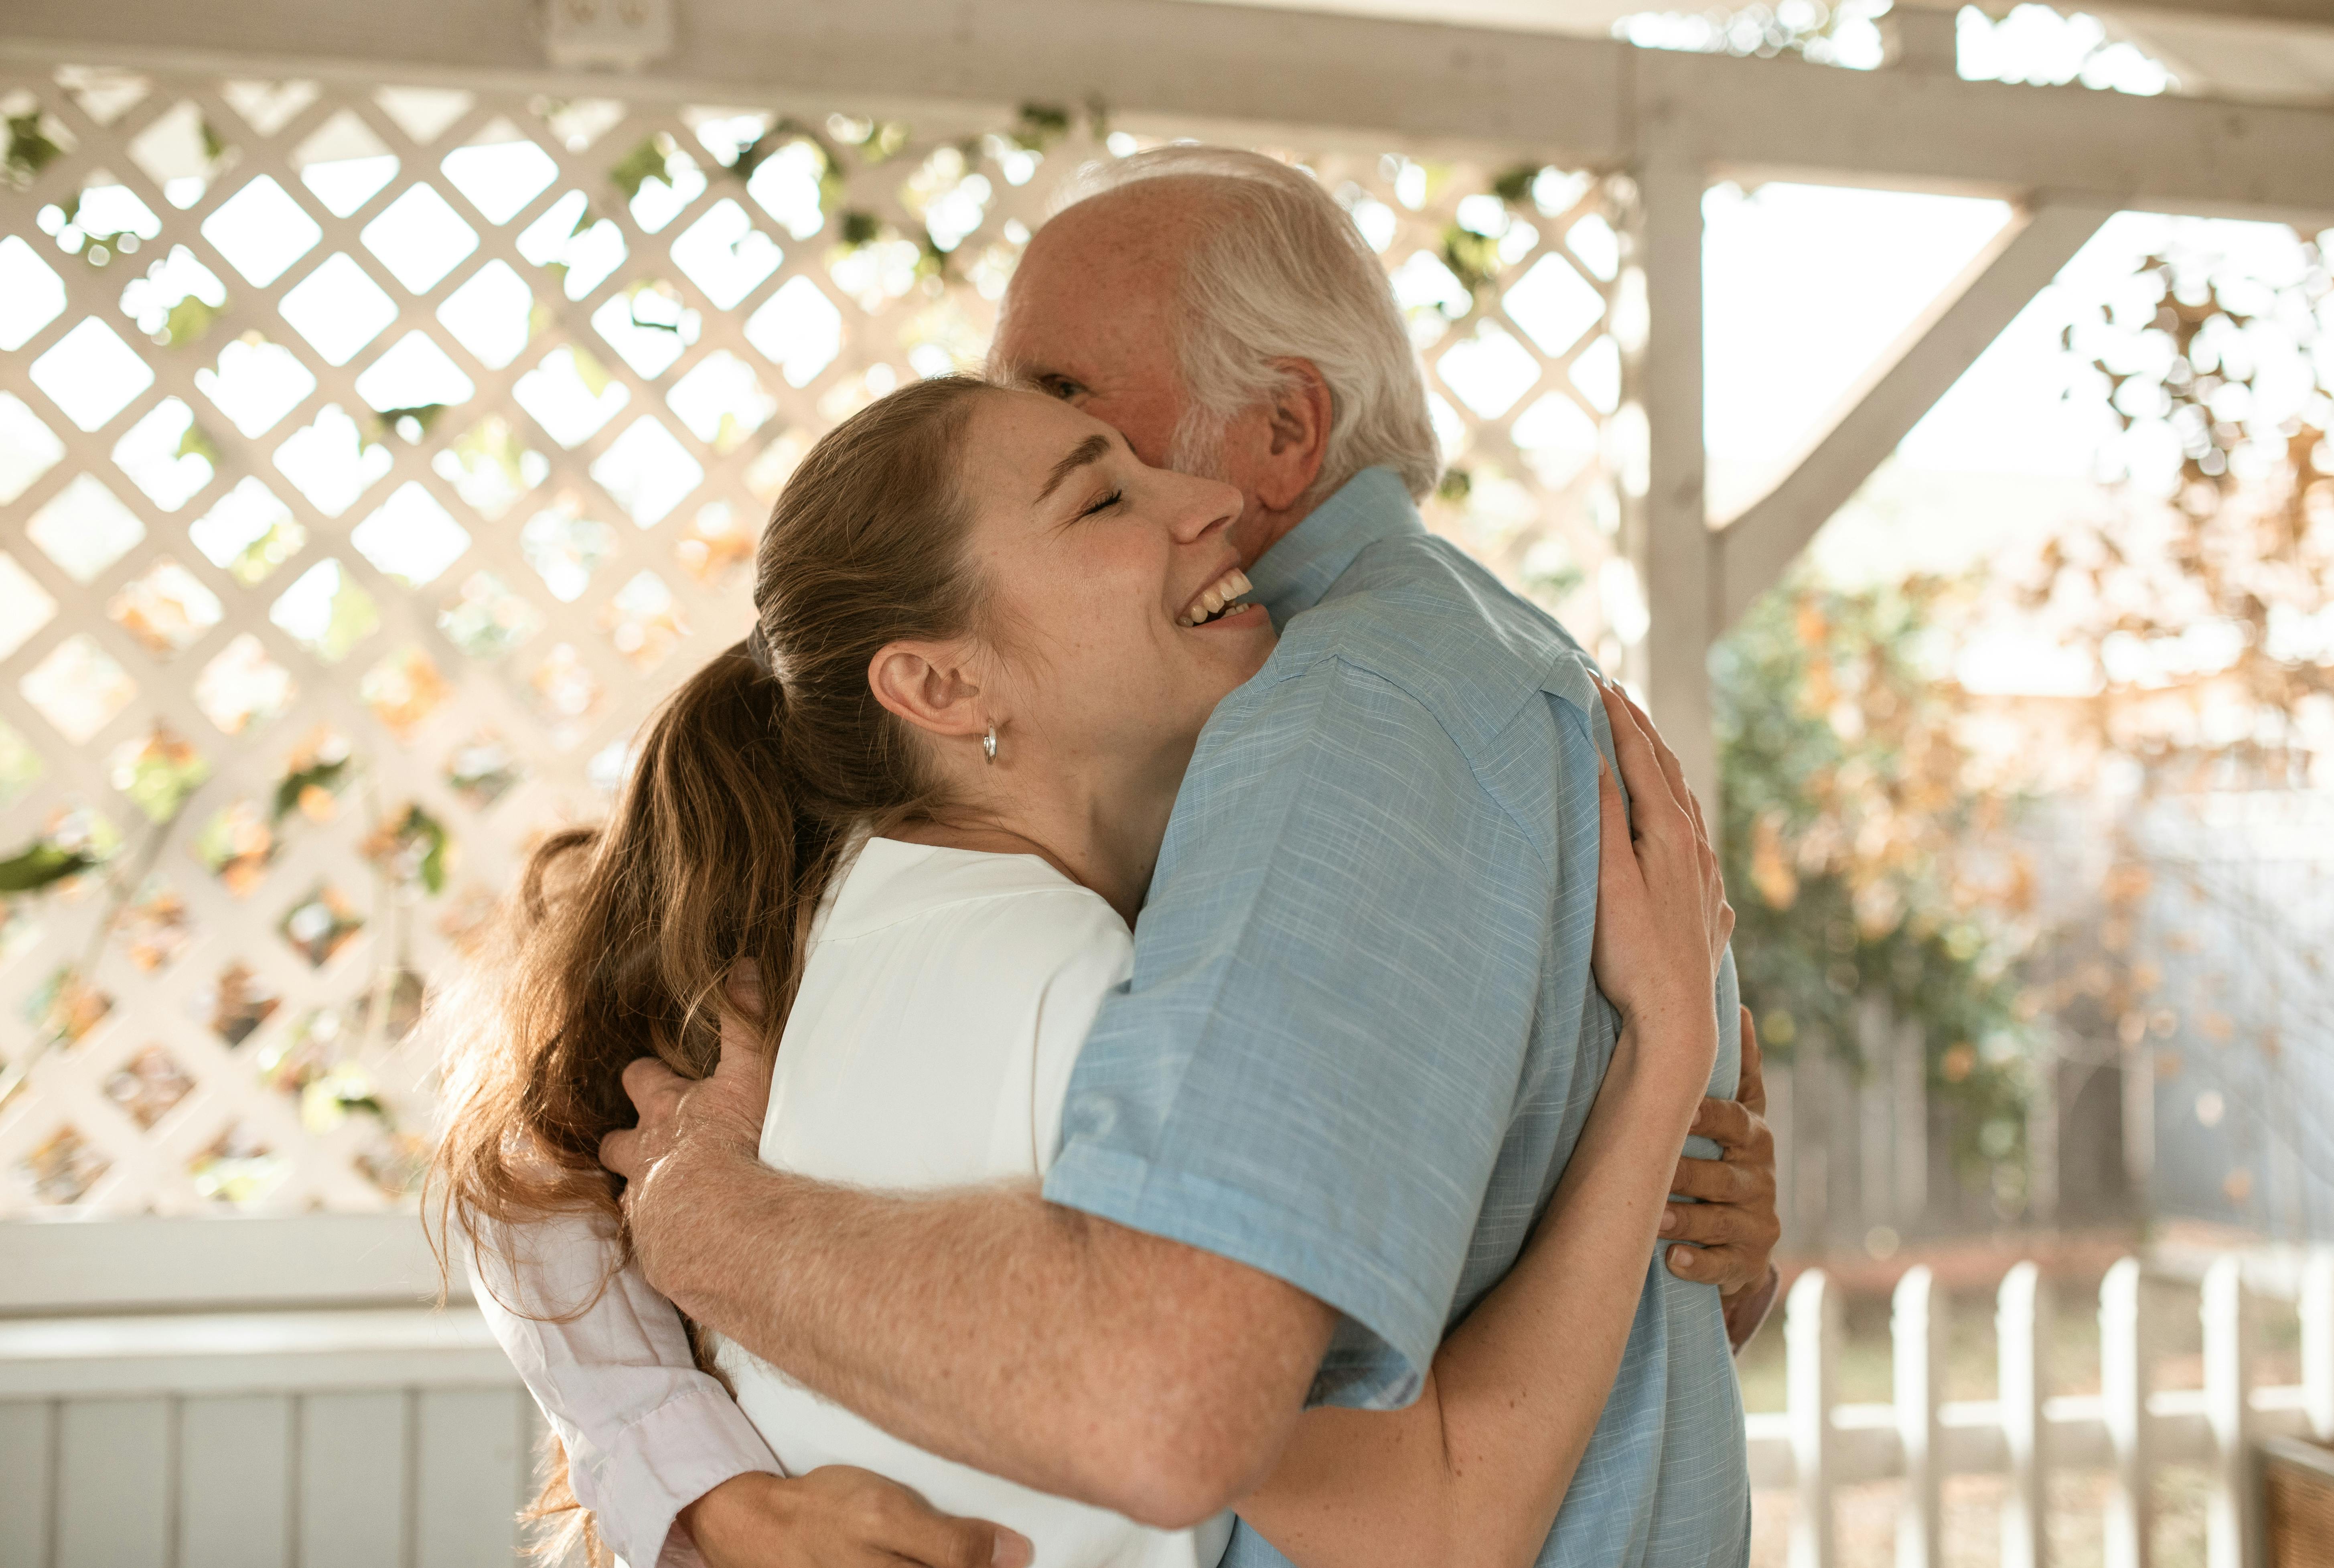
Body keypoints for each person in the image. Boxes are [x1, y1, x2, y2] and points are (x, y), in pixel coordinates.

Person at [451, 146, 1779, 1568]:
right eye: (1093, 490)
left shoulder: (1327, 732)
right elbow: (546, 1142)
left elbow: (1661, 1308)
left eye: (1069, 405)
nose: (1176, 506)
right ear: (942, 690)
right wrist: (701, 1427)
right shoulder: (1062, 909)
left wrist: (1683, 1162)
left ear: (1282, 433)